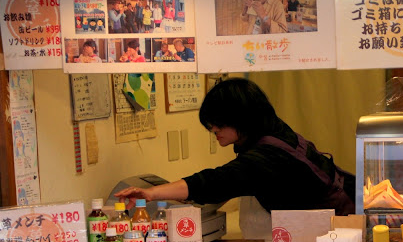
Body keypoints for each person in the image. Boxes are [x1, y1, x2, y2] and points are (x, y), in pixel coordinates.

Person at [114, 78, 355, 218]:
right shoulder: (272, 128)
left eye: (217, 123)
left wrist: (152, 193)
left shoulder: (265, 158)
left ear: (241, 117)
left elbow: (215, 181)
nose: (213, 129)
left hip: (331, 225)